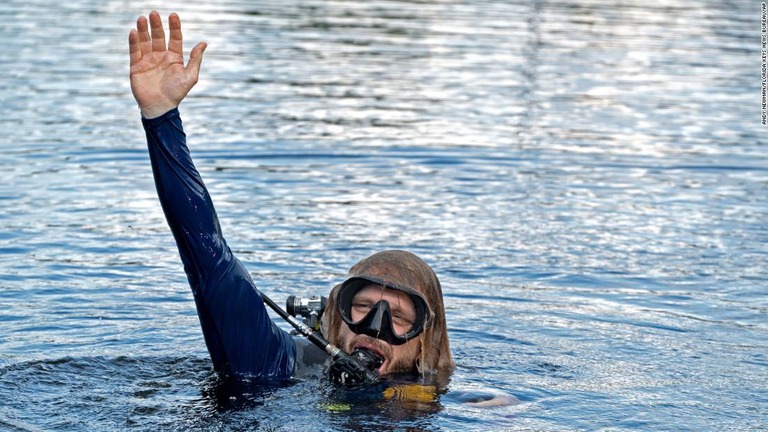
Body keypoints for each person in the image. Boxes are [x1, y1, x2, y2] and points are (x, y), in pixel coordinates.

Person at [128, 11, 455, 383]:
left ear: (425, 341)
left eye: (398, 318)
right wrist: (161, 117)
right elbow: (210, 258)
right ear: (335, 316)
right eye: (361, 307)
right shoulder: (280, 365)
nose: (374, 328)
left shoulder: (454, 400)